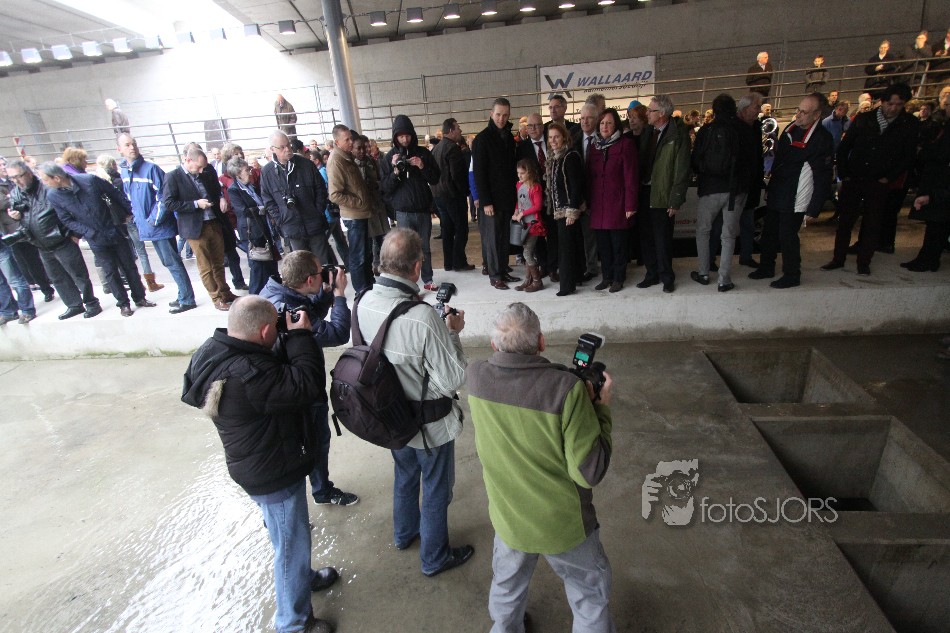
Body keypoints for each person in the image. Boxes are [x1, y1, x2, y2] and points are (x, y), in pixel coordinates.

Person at [181, 295, 339, 633]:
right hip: (273, 472)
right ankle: (293, 622)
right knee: (291, 546)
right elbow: (307, 385)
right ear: (266, 331)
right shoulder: (251, 374)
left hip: (253, 462)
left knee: (286, 536)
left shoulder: (214, 350)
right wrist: (300, 336)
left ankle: (303, 578)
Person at [467, 302, 614, 633]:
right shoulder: (566, 389)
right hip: (562, 526)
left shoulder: (475, 376)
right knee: (590, 597)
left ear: (493, 345)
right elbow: (589, 472)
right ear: (541, 342)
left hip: (509, 518)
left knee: (507, 588)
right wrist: (601, 410)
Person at [356, 228, 472, 577]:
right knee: (435, 489)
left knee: (405, 476)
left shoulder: (362, 300)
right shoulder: (423, 318)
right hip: (428, 425)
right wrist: (452, 331)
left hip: (389, 416)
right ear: (418, 266)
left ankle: (404, 534)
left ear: (382, 263)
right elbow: (453, 379)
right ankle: (434, 558)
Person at [260, 250, 359, 509]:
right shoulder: (288, 307)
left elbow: (311, 314)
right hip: (301, 388)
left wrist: (325, 293)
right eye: (319, 272)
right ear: (308, 280)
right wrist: (339, 295)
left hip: (282, 384)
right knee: (316, 441)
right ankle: (321, 492)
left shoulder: (275, 291)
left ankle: (309, 494)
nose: (324, 273)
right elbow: (336, 333)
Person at [822, 83, 919, 276]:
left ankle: (864, 261)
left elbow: (908, 156)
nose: (893, 108)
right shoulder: (864, 119)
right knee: (846, 221)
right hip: (855, 177)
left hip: (880, 180)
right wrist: (845, 173)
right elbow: (844, 147)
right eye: (890, 104)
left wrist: (888, 177)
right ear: (882, 102)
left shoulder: (909, 124)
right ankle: (838, 258)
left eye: (899, 104)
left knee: (872, 222)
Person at [41, 162, 157, 316]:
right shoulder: (54, 195)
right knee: (110, 271)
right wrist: (88, 232)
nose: (44, 183)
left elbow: (115, 193)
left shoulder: (89, 180)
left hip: (114, 229)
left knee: (129, 266)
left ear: (56, 178)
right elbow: (66, 219)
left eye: (45, 179)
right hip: (95, 238)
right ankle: (123, 304)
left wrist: (127, 212)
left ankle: (140, 297)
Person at [749, 93, 833, 289]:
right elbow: (778, 161)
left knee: (788, 236)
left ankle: (792, 274)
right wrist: (770, 187)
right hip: (779, 189)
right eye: (798, 110)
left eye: (804, 112)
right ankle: (766, 267)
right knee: (769, 233)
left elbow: (823, 176)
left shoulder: (822, 138)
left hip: (796, 195)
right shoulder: (790, 129)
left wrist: (814, 208)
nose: (799, 115)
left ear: (816, 114)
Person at [5, 160, 100, 320]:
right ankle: (73, 305)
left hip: (62, 239)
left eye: (18, 176)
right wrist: (15, 216)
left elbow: (71, 210)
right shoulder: (16, 193)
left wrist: (74, 234)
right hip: (41, 243)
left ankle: (91, 303)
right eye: (12, 178)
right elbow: (23, 217)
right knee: (57, 277)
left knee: (78, 274)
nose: (16, 181)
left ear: (28, 173)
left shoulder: (48, 187)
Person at [117, 134, 196, 313]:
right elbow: (130, 198)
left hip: (159, 226)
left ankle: (187, 299)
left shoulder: (151, 169)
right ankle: (183, 294)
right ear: (119, 149)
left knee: (172, 262)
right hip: (148, 226)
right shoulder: (125, 171)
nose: (132, 147)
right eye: (127, 145)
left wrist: (154, 220)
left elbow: (163, 197)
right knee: (168, 262)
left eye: (134, 143)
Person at [690, 94, 753, 293]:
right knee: (728, 235)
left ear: (714, 110)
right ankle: (724, 280)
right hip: (736, 190)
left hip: (710, 188)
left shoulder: (706, 130)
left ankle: (703, 272)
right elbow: (751, 161)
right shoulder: (744, 129)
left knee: (703, 231)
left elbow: (695, 160)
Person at [163, 147, 238, 311]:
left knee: (218, 262)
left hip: (213, 221)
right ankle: (216, 298)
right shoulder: (173, 176)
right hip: (195, 228)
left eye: (203, 167)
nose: (201, 171)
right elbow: (168, 203)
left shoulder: (203, 172)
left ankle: (225, 293)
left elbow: (215, 189)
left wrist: (220, 198)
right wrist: (195, 204)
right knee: (205, 266)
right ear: (188, 160)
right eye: (198, 167)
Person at [380, 115, 441, 292]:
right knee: (404, 250)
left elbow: (435, 178)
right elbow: (385, 187)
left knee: (425, 247)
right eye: (401, 136)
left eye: (407, 135)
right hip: (403, 212)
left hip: (422, 210)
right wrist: (395, 171)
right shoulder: (390, 157)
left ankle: (428, 278)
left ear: (412, 135)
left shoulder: (423, 153)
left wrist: (422, 166)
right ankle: (406, 282)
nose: (405, 139)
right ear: (395, 137)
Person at [637, 95, 691, 293]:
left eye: (650, 110)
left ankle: (667, 276)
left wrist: (675, 199)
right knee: (646, 237)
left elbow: (682, 169)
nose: (646, 113)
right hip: (645, 192)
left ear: (661, 114)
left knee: (663, 239)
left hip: (663, 194)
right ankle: (651, 274)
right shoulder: (648, 132)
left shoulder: (677, 134)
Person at [261, 130, 332, 266]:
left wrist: (318, 211)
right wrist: (281, 220)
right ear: (273, 149)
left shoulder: (306, 165)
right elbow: (268, 200)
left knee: (323, 264)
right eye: (282, 147)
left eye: (288, 145)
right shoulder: (267, 173)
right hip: (291, 227)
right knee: (302, 267)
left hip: (314, 224)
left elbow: (321, 189)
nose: (287, 149)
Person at [587, 108, 638, 293]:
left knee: (618, 245)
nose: (605, 126)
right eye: (602, 123)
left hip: (617, 204)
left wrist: (630, 204)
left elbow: (631, 177)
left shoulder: (626, 144)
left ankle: (618, 278)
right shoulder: (594, 146)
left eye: (609, 123)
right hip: (598, 206)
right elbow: (589, 177)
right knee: (604, 246)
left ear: (616, 124)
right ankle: (606, 277)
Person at [473, 99, 519, 290]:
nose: (501, 118)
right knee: (492, 240)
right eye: (498, 114)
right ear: (491, 114)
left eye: (505, 115)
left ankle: (502, 269)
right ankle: (495, 275)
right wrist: (485, 201)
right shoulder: (482, 139)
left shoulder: (509, 137)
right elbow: (479, 173)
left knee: (504, 238)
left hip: (507, 199)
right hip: (491, 201)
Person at [326, 124, 374, 293]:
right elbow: (334, 195)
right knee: (358, 256)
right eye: (347, 139)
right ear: (337, 142)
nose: (351, 142)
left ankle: (369, 285)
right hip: (354, 216)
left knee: (365, 253)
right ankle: (361, 291)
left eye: (351, 138)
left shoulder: (347, 157)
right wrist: (358, 202)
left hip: (361, 214)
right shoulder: (336, 161)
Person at [227, 157, 280, 295]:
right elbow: (243, 210)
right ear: (238, 174)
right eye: (246, 170)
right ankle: (255, 294)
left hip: (264, 228)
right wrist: (262, 209)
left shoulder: (252, 186)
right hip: (251, 231)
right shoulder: (234, 190)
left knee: (269, 261)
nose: (250, 172)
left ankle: (273, 288)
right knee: (258, 263)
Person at [902, 121, 950, 272]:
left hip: (941, 186)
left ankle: (929, 260)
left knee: (938, 226)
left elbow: (941, 155)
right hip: (937, 185)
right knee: (934, 226)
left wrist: (924, 150)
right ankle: (926, 258)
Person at [545, 122, 586, 297]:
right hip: (559, 210)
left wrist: (572, 211)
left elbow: (576, 186)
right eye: (550, 137)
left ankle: (567, 285)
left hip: (568, 210)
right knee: (571, 245)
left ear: (564, 137)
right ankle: (576, 277)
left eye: (556, 137)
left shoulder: (570, 156)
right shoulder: (555, 158)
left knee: (566, 249)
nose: (553, 140)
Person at [516, 112, 557, 283]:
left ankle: (553, 268)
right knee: (537, 237)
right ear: (526, 128)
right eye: (530, 126)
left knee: (553, 234)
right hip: (533, 201)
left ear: (543, 126)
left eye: (538, 125)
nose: (534, 129)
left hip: (553, 199)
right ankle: (544, 266)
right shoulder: (521, 148)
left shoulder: (552, 141)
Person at [431, 118, 474, 273]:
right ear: (451, 130)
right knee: (461, 229)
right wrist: (465, 191)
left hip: (439, 196)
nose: (460, 130)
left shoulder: (436, 149)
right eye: (458, 128)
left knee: (447, 230)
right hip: (453, 196)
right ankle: (459, 262)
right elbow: (457, 175)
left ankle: (448, 263)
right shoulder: (453, 149)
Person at [352, 135, 389, 276]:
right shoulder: (351, 165)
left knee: (382, 239)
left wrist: (376, 185)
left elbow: (381, 179)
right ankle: (369, 270)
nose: (363, 151)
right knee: (366, 245)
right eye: (359, 148)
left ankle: (382, 266)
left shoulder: (371, 162)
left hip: (377, 206)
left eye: (366, 147)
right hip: (363, 210)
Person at [736, 92, 765, 268]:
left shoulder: (755, 127)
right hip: (735, 186)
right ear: (745, 108)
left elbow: (757, 158)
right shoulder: (734, 127)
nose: (759, 111)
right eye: (757, 107)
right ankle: (711, 262)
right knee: (725, 226)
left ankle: (746, 256)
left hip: (751, 184)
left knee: (748, 222)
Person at [512, 158, 546, 292]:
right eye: (518, 173)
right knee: (526, 251)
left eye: (522, 173)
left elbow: (538, 206)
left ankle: (537, 281)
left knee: (527, 252)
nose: (519, 176)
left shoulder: (535, 187)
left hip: (533, 224)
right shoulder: (519, 185)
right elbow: (519, 201)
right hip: (523, 224)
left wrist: (522, 213)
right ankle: (528, 280)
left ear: (529, 172)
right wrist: (516, 211)